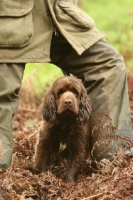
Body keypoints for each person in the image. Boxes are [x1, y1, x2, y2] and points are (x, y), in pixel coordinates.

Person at [0, 0, 132, 168]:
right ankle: (2, 175)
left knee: (109, 64)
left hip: (61, 16)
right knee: (1, 92)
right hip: (10, 21)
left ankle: (113, 162)